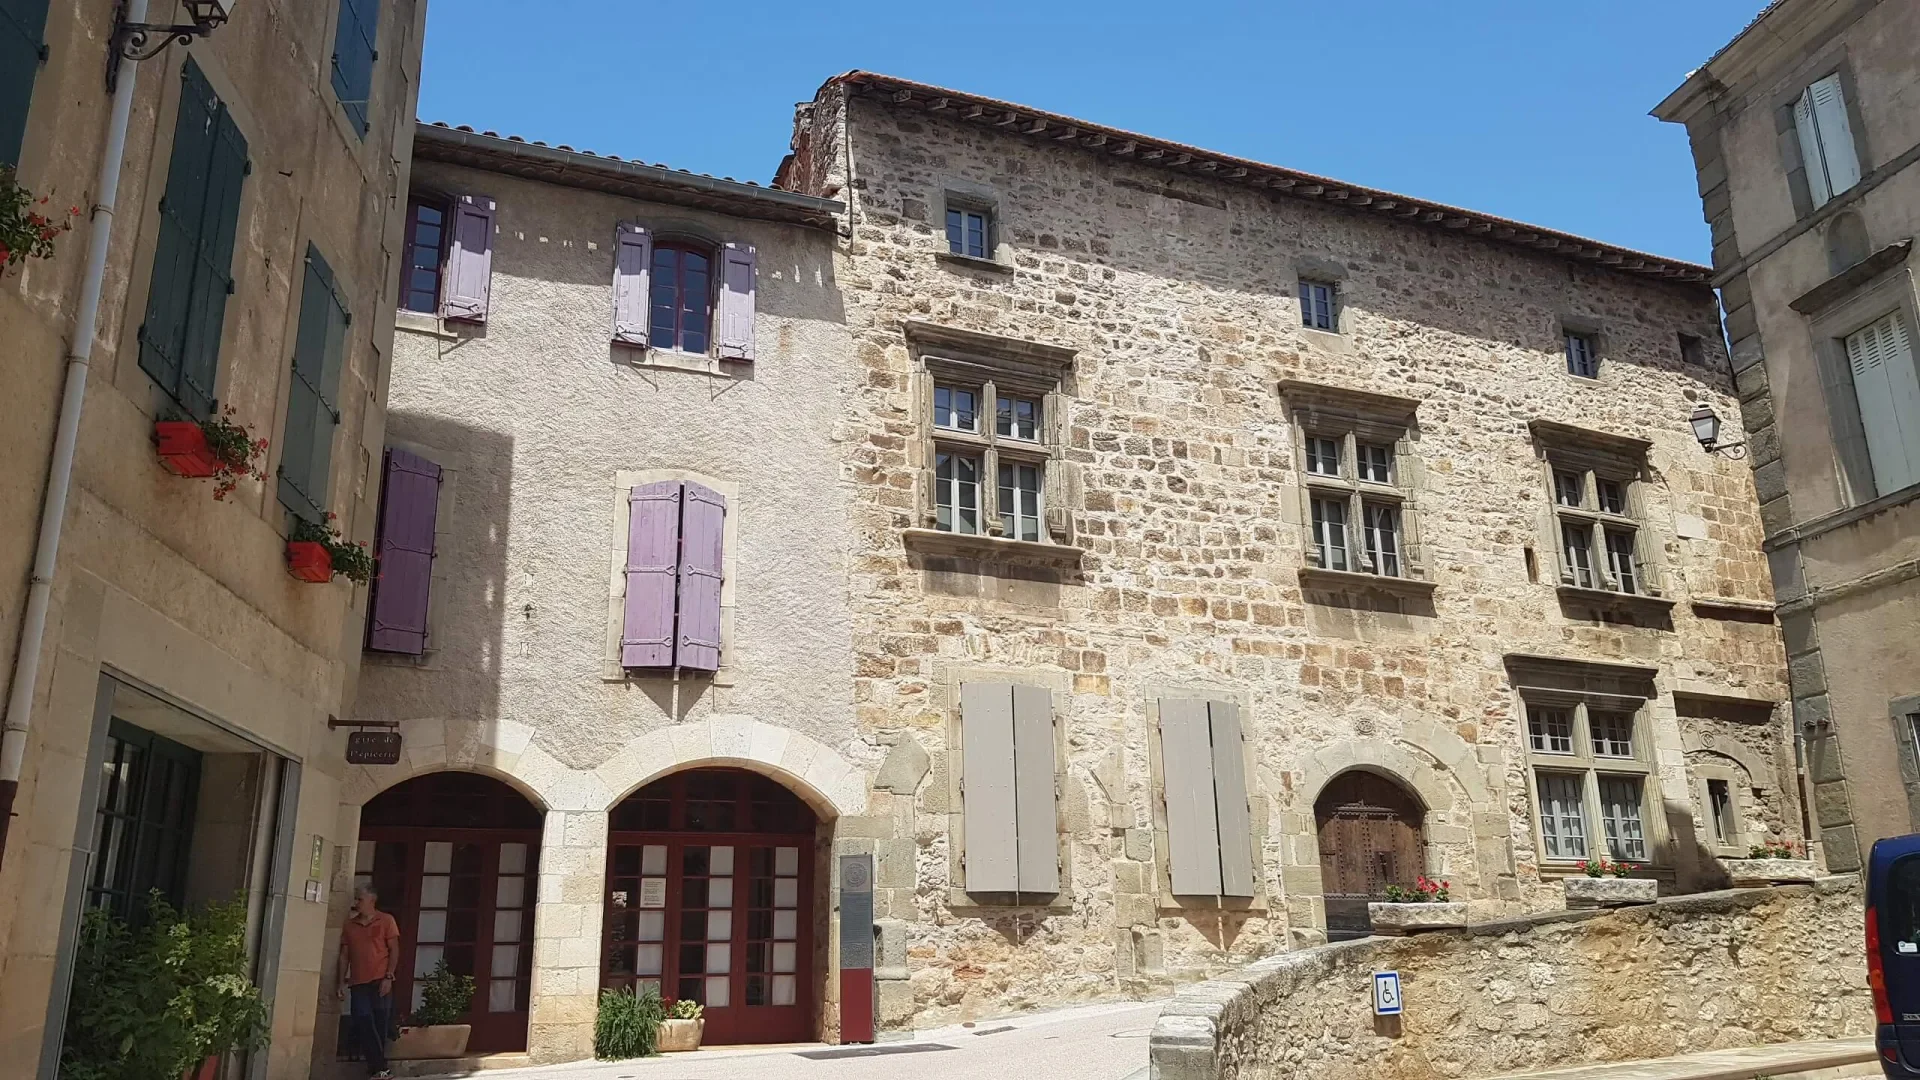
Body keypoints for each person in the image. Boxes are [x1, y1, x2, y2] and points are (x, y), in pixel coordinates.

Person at [339, 886, 401, 1080]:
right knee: (363, 1019)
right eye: (356, 899)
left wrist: (389, 977)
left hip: (380, 980)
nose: (356, 903)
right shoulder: (349, 925)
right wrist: (340, 982)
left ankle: (377, 1069)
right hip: (358, 982)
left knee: (380, 1025)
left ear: (371, 900)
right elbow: (344, 956)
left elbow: (394, 950)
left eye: (360, 899)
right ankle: (381, 1067)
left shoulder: (386, 920)